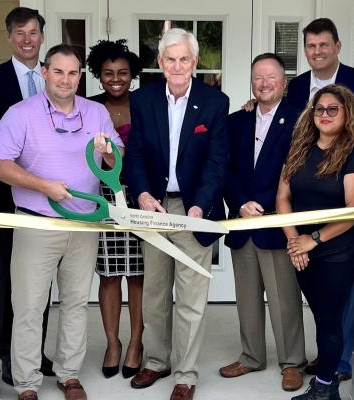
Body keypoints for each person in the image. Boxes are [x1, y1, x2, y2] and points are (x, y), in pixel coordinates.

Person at [0, 44, 124, 400]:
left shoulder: (95, 112)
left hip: (84, 224)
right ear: (44, 72)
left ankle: (69, 374)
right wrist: (42, 185)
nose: (66, 79)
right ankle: (27, 382)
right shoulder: (21, 114)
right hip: (38, 224)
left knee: (77, 303)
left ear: (81, 76)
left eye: (73, 72)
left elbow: (116, 158)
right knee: (29, 306)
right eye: (58, 71)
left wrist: (110, 153)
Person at [125, 28, 229, 400]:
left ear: (195, 62)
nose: (177, 66)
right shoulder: (143, 100)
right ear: (160, 63)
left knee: (190, 295)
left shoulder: (215, 102)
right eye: (170, 59)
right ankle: (157, 360)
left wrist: (199, 205)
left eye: (184, 59)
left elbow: (218, 162)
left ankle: (185, 374)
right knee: (154, 292)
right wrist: (141, 193)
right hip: (153, 207)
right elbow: (134, 153)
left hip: (194, 208)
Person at [276, 84, 354, 400]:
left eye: (333, 109)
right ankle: (327, 387)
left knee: (329, 319)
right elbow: (283, 198)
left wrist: (312, 240)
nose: (325, 114)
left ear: (348, 114)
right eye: (320, 109)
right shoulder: (299, 149)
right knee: (320, 316)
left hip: (337, 248)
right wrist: (294, 241)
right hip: (301, 247)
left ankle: (325, 388)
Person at [219, 53, 307, 392]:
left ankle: (292, 362)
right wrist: (239, 203)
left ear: (284, 83)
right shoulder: (235, 121)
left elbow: (297, 172)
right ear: (251, 82)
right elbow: (225, 168)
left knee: (284, 298)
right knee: (247, 297)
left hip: (276, 222)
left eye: (271, 77)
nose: (264, 83)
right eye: (258, 77)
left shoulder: (299, 120)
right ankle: (252, 356)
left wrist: (268, 207)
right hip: (242, 224)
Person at [288, 18, 354, 381]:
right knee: (323, 305)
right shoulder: (297, 86)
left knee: (339, 297)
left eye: (323, 45)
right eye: (310, 46)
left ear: (337, 45)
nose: (316, 52)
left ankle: (339, 365)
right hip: (305, 197)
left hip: (345, 186)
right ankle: (329, 360)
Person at [0, 6, 55, 386]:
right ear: (9, 38)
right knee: (10, 281)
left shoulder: (56, 77)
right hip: (7, 200)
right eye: (20, 34)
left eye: (33, 32)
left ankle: (35, 352)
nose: (27, 40)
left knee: (40, 281)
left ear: (42, 36)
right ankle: (8, 354)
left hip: (50, 202)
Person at [84, 39, 145, 379]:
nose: (116, 78)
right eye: (108, 73)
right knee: (109, 274)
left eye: (123, 72)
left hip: (141, 194)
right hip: (103, 195)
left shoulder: (146, 105)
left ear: (132, 75)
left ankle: (136, 342)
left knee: (138, 275)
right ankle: (113, 344)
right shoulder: (89, 108)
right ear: (98, 75)